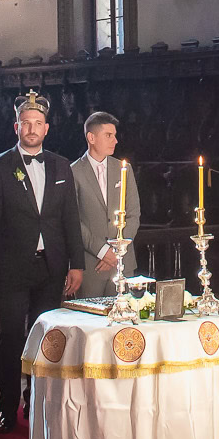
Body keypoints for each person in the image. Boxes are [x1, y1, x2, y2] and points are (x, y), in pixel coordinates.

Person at [0, 90, 83, 433]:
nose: (32, 129)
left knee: (44, 339)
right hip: (10, 269)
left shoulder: (61, 166)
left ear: (47, 128)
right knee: (11, 337)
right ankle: (6, 407)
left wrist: (76, 264)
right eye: (26, 124)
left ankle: (35, 402)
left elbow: (70, 219)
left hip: (50, 268)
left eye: (38, 124)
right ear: (16, 127)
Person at [70, 110, 139, 299]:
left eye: (115, 135)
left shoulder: (124, 169)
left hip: (122, 263)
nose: (115, 141)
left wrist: (116, 251)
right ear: (91, 138)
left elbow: (133, 214)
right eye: (108, 135)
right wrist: (102, 252)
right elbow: (73, 220)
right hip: (92, 265)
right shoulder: (73, 172)